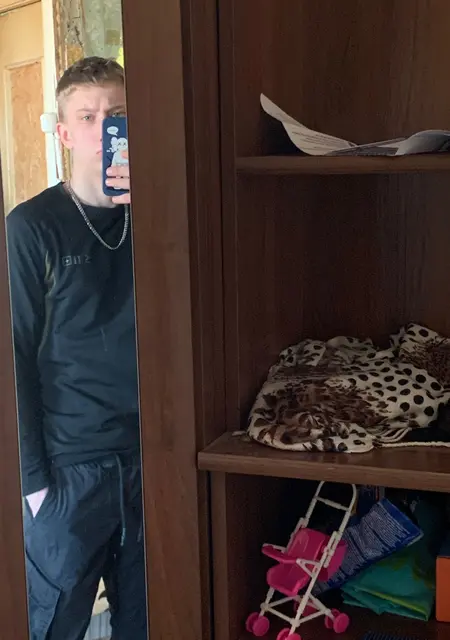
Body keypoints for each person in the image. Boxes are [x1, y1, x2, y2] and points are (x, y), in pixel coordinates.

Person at [6, 56, 146, 640]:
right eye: (88, 117)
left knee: (152, 620)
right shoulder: (32, 226)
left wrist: (156, 201)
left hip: (150, 459)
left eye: (117, 113)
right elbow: (14, 355)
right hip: (69, 470)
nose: (104, 127)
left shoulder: (160, 217)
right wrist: (34, 485)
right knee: (54, 626)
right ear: (64, 133)